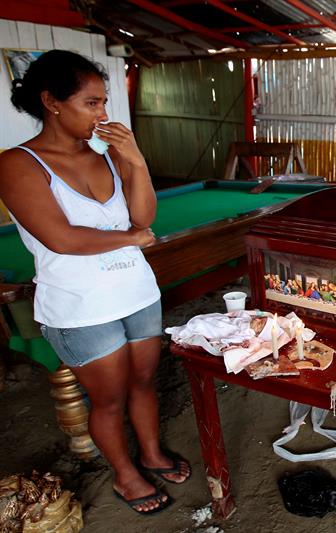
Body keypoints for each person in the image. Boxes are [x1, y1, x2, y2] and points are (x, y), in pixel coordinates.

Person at [0, 50, 190, 514]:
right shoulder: (17, 164)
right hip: (80, 306)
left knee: (145, 383)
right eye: (92, 102)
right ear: (52, 102)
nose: (103, 113)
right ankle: (126, 478)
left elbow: (144, 215)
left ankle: (151, 454)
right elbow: (60, 238)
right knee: (109, 399)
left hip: (137, 292)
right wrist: (129, 238)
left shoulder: (107, 154)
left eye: (104, 102)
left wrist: (135, 161)